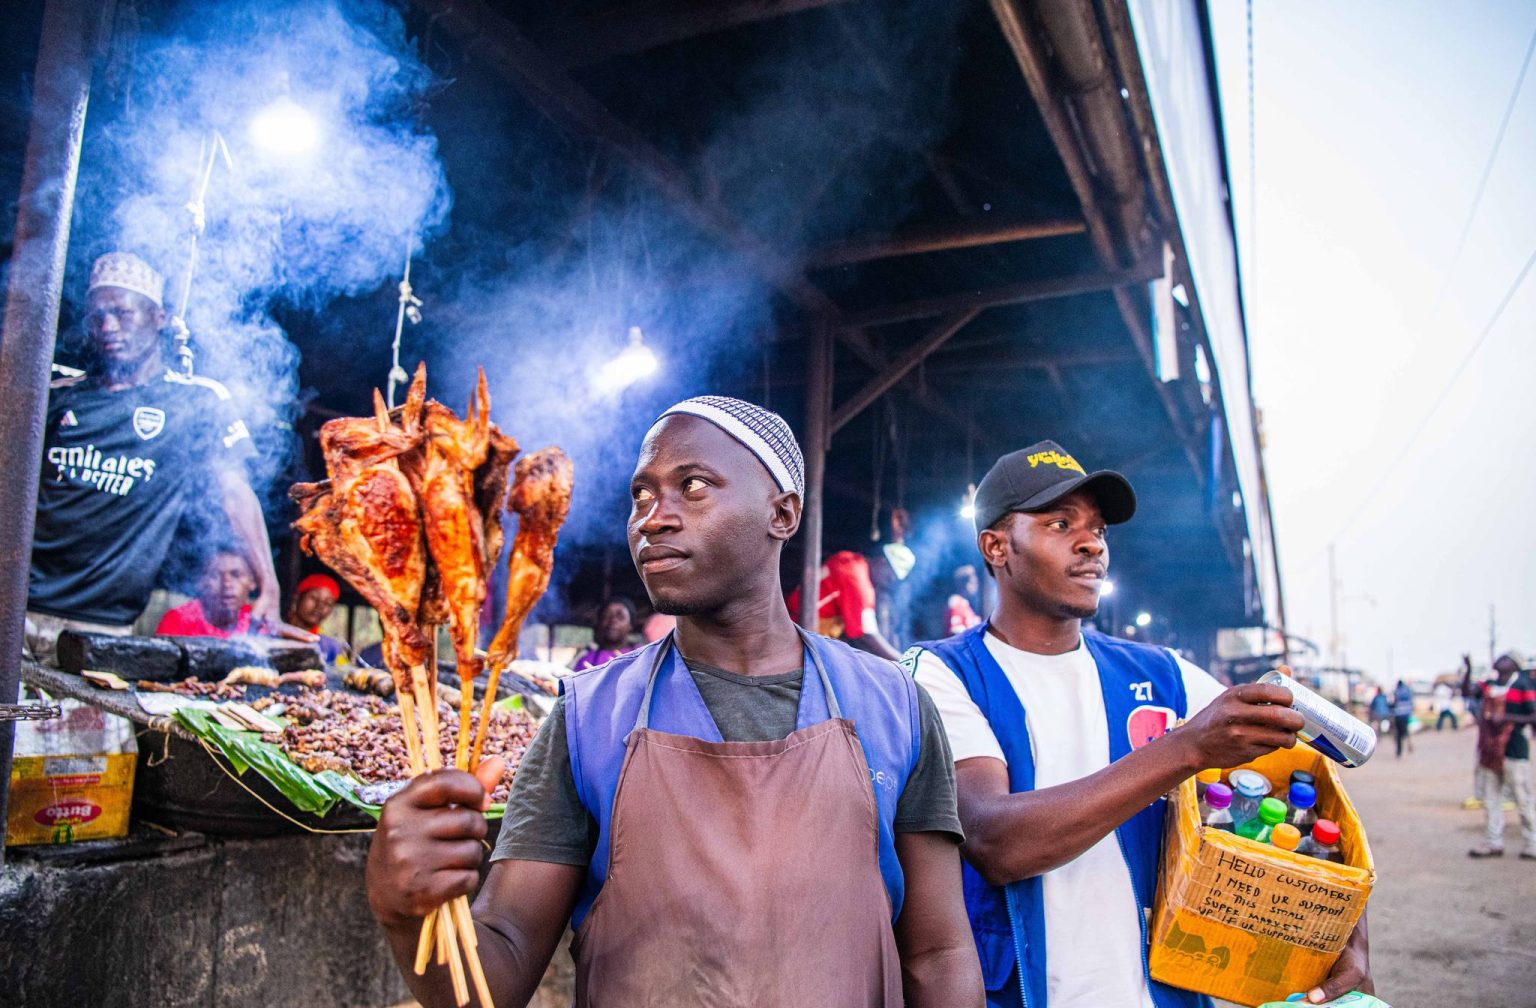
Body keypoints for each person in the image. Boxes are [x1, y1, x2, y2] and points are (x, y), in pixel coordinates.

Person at [366, 395, 984, 1007]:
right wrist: (408, 915)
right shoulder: (588, 718)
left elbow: (937, 953)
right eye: (640, 495)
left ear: (783, 513)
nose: (651, 518)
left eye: (692, 486)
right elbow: (497, 970)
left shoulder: (893, 705)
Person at [904, 439, 1372, 1008]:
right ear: (997, 547)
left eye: (1099, 530)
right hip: (1025, 991)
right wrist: (1188, 749)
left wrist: (1349, 932)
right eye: (1060, 524)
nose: (1091, 545)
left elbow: (1316, 794)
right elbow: (995, 842)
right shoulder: (942, 672)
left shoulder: (1163, 674)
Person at [24, 251, 305, 663]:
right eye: (97, 316)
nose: (107, 327)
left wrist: (270, 583)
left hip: (103, 628)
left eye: (122, 313)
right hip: (17, 607)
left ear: (159, 316)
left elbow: (234, 492)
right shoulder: (58, 393)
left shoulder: (195, 402)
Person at [1468, 651, 1536, 860]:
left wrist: (1506, 717)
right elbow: (1467, 691)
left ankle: (1532, 842)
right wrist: (1468, 670)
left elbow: (1533, 715)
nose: (1500, 659)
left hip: (1513, 749)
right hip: (1490, 750)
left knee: (1522, 798)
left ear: (1515, 665)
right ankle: (1493, 842)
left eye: (1506, 658)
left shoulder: (1522, 684)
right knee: (1491, 798)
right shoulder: (1490, 684)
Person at [785, 548, 906, 660]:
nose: (887, 584)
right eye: (889, 578)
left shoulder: (849, 559)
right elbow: (868, 635)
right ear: (882, 561)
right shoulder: (859, 583)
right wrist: (902, 662)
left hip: (792, 618)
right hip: (798, 631)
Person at [155, 545, 257, 638]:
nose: (227, 584)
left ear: (252, 581)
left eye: (236, 575)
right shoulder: (179, 620)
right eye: (215, 575)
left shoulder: (260, 621)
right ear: (201, 582)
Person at [287, 573, 349, 662]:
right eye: (314, 598)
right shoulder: (274, 634)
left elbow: (344, 673)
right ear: (297, 597)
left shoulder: (332, 648)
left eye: (327, 603)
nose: (320, 606)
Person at [569, 597, 636, 672]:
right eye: (607, 615)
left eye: (620, 616)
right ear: (600, 622)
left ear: (631, 625)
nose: (613, 620)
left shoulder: (642, 655)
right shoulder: (586, 661)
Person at [947, 564, 982, 636]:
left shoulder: (965, 604)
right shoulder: (956, 602)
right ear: (966, 584)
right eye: (974, 583)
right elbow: (955, 631)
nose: (976, 587)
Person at [1391, 679, 1415, 757]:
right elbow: (1411, 702)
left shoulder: (1396, 691)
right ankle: (1409, 744)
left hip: (1398, 714)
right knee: (1406, 730)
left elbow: (1394, 703)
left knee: (1398, 733)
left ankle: (1399, 750)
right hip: (1406, 714)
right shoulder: (1408, 691)